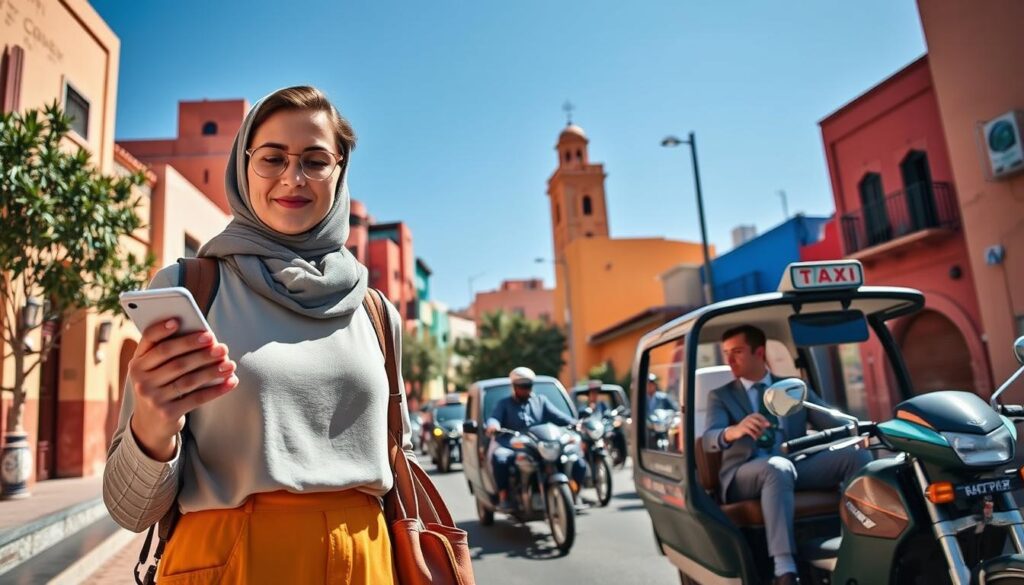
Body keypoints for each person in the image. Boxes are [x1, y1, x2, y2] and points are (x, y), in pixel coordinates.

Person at [103, 86, 420, 584]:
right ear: (243, 164)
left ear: (340, 172)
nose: (293, 177)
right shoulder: (191, 287)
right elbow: (130, 510)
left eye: (316, 161)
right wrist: (153, 422)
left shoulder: (376, 312)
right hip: (231, 562)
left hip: (366, 563)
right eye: (272, 158)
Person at [702, 325, 870, 585]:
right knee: (776, 468)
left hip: (794, 464)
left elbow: (832, 421)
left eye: (736, 351)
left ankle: (858, 542)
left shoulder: (791, 388)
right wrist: (734, 431)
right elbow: (710, 439)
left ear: (759, 352)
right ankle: (785, 569)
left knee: (856, 456)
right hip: (743, 473)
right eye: (726, 353)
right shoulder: (721, 396)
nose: (729, 360)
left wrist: (862, 428)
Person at [485, 367, 587, 511]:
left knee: (577, 460)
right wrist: (493, 426)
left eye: (528, 386)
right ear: (514, 386)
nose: (525, 389)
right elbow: (494, 418)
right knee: (500, 458)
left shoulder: (541, 401)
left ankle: (574, 492)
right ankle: (504, 495)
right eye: (522, 386)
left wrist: (575, 423)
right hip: (513, 445)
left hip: (539, 445)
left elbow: (558, 417)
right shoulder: (504, 404)